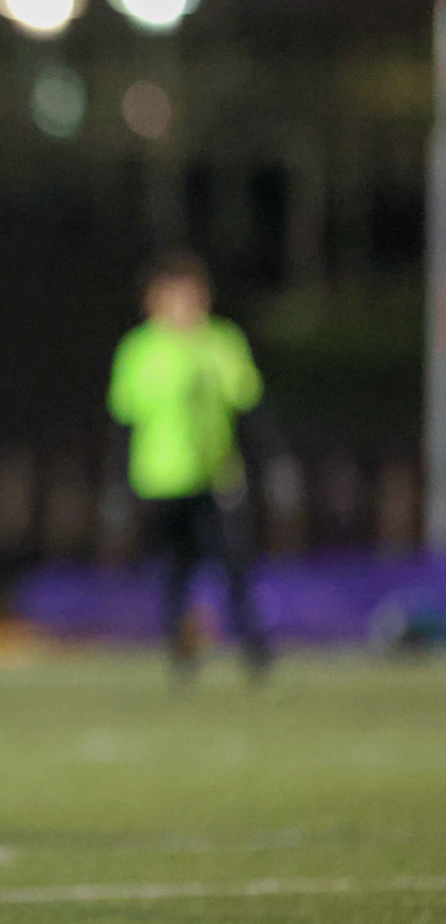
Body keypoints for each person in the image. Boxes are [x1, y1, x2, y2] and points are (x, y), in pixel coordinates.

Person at [107, 250, 271, 681]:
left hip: (218, 477)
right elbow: (123, 421)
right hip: (161, 480)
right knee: (174, 572)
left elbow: (249, 407)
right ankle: (181, 656)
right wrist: (117, 484)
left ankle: (255, 654)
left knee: (235, 564)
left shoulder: (222, 341)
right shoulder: (139, 349)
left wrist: (272, 461)